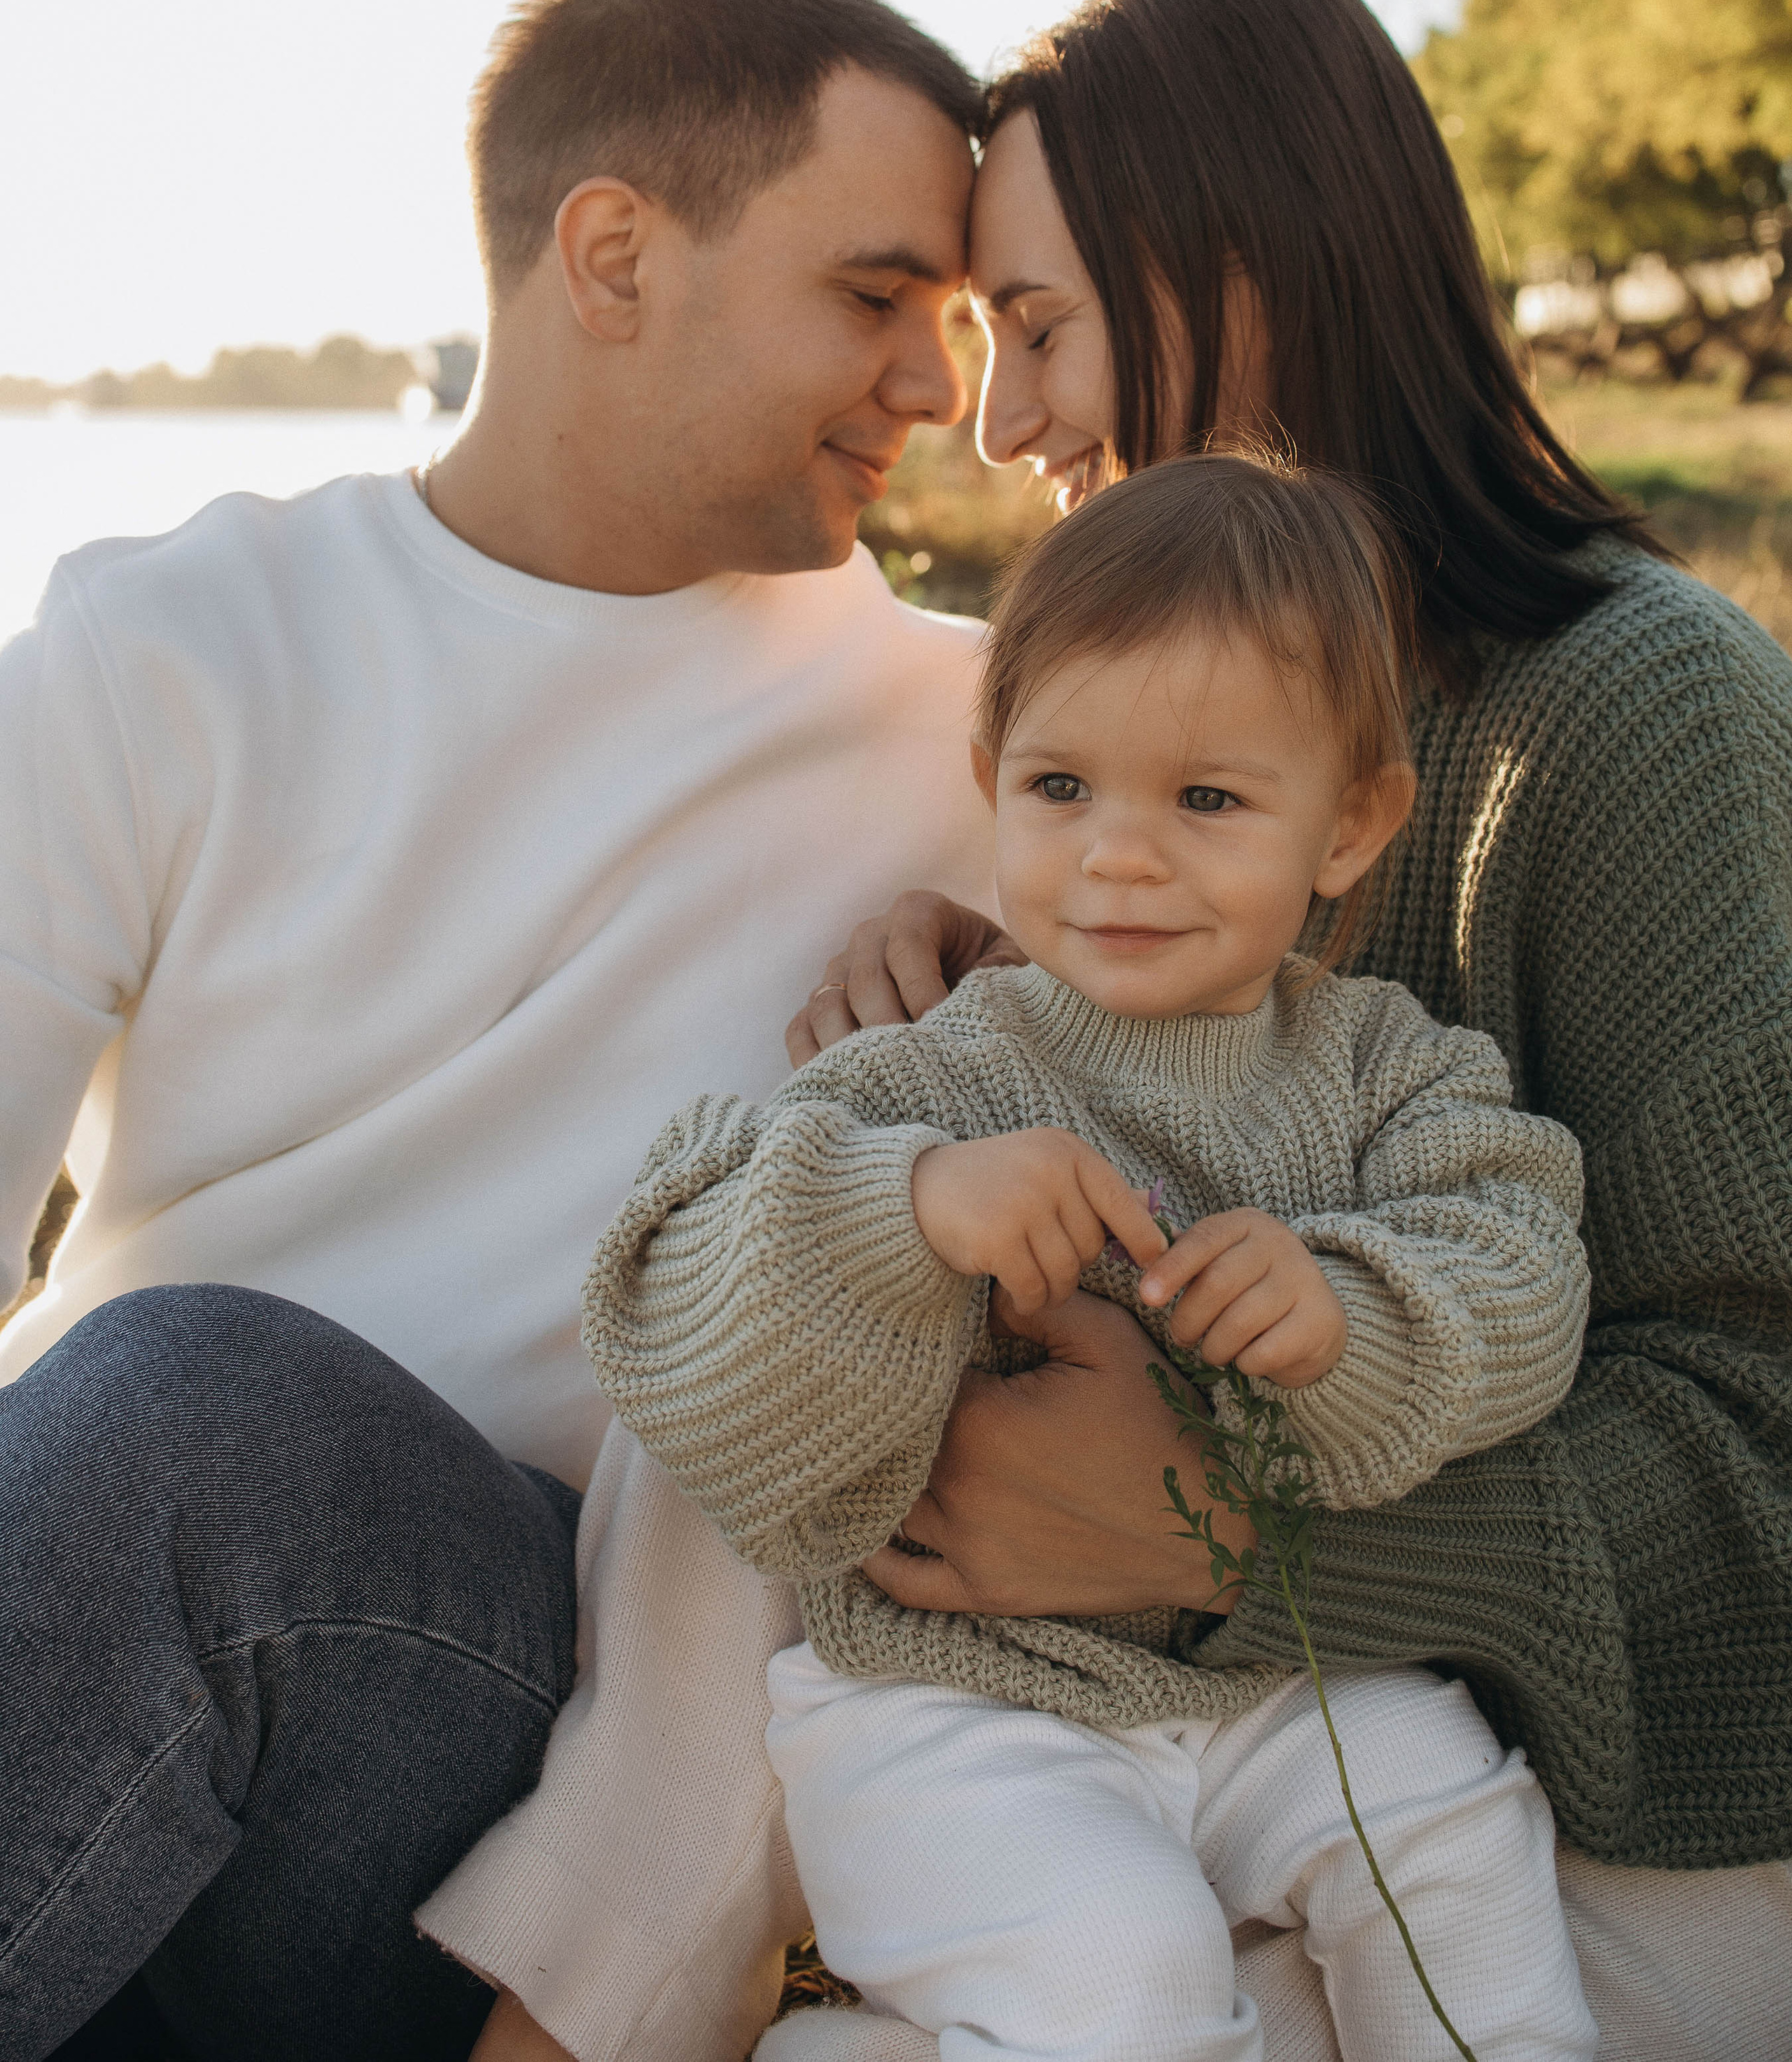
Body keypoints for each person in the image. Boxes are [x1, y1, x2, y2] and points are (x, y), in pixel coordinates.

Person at [771, 0, 1792, 2056]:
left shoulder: (1639, 714)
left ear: (1247, 273)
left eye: (1035, 325)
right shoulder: (1176, 760)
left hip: (1598, 1815)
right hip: (1240, 1735)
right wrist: (1016, 1018)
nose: (996, 419)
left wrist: (1236, 1517)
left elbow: (1765, 1447)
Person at [0, 0, 1001, 2060]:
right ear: (617, 254)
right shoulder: (169, 639)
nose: (942, 386)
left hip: (500, 1720)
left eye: (959, 314)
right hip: (75, 1615)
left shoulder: (1001, 758)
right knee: (139, 1433)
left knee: (198, 1415)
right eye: (874, 295)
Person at [584, 454, 1599, 2061]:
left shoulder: (1388, 1068)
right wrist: (905, 1209)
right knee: (1118, 1979)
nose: (1120, 854)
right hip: (953, 1712)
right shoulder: (933, 1076)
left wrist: (1351, 1310)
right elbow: (668, 1287)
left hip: (1272, 1679)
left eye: (1205, 799)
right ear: (989, 777)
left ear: (1348, 824)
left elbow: (1522, 1259)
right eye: (1061, 789)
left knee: (1454, 1833)